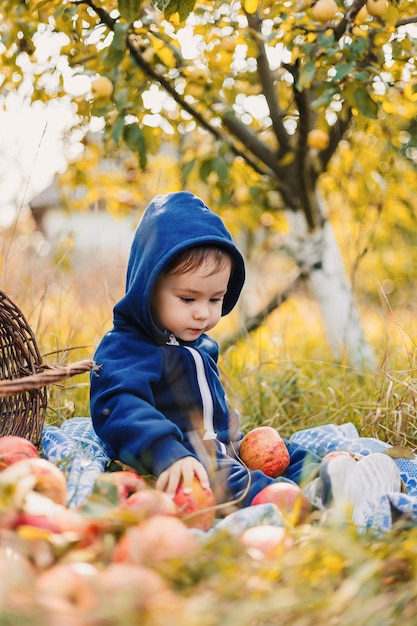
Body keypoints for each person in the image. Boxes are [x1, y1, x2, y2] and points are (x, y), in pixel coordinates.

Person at [90, 191, 321, 510]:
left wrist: (232, 432)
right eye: (188, 299)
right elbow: (118, 405)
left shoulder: (198, 345)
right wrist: (165, 451)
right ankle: (293, 501)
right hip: (180, 458)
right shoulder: (127, 347)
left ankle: (331, 474)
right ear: (148, 288)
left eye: (215, 300)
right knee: (228, 480)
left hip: (222, 448)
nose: (203, 313)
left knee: (289, 452)